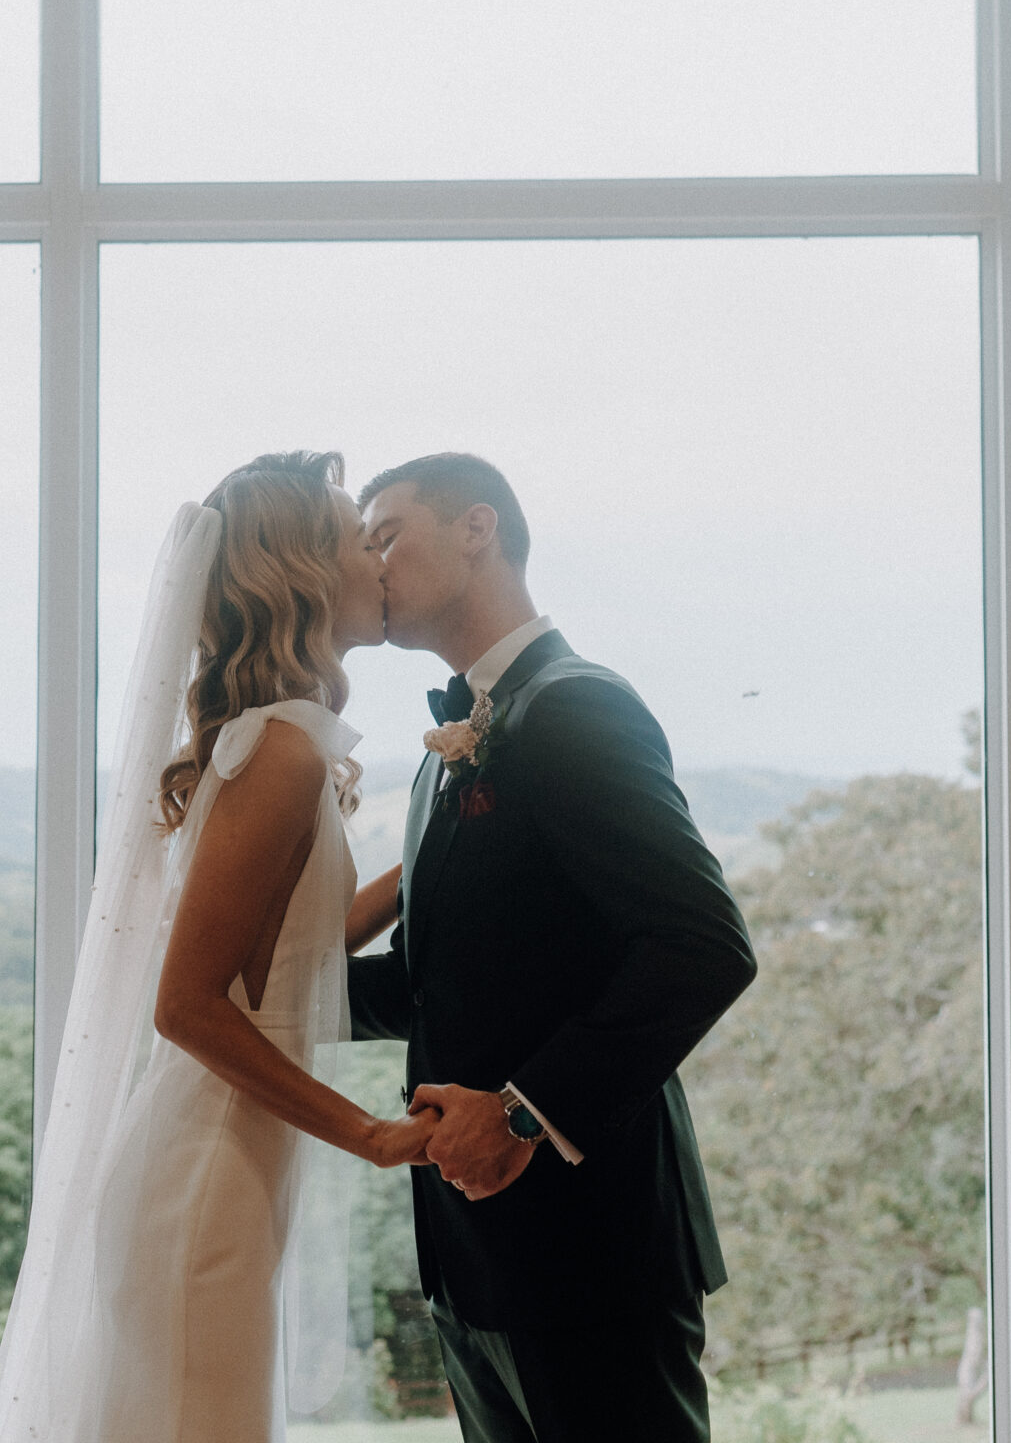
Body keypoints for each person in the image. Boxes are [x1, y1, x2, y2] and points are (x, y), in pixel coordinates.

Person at [0, 451, 438, 1443]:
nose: (380, 559)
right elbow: (185, 1006)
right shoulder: (275, 749)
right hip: (202, 1179)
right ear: (307, 573)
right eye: (361, 540)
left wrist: (436, 857)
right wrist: (371, 1135)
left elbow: (298, 953)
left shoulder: (286, 743)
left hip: (229, 1162)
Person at [347, 452, 758, 1443]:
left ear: (477, 528)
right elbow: (435, 982)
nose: (369, 568)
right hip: (475, 1263)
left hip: (593, 1255)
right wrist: (255, 995)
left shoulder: (574, 705)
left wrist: (524, 1115)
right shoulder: (443, 752)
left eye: (386, 535)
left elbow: (702, 946)